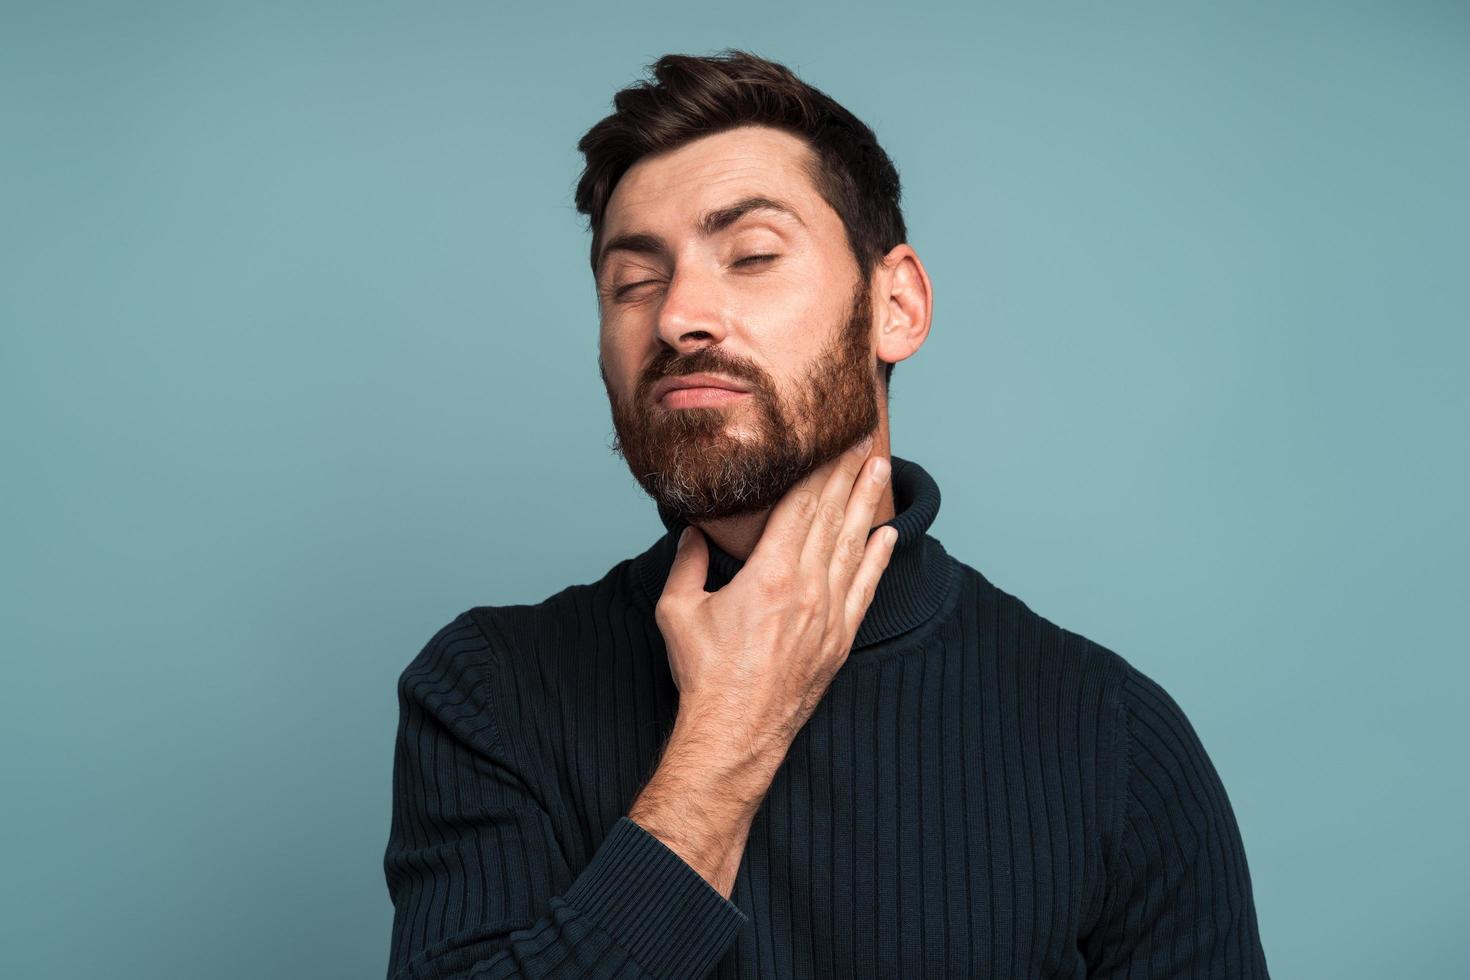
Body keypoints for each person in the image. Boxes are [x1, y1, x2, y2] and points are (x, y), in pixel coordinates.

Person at [381, 49, 1270, 979]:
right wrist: (726, 739)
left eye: (752, 255)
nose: (681, 314)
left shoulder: (1112, 738)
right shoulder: (488, 692)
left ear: (897, 306)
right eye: (632, 283)